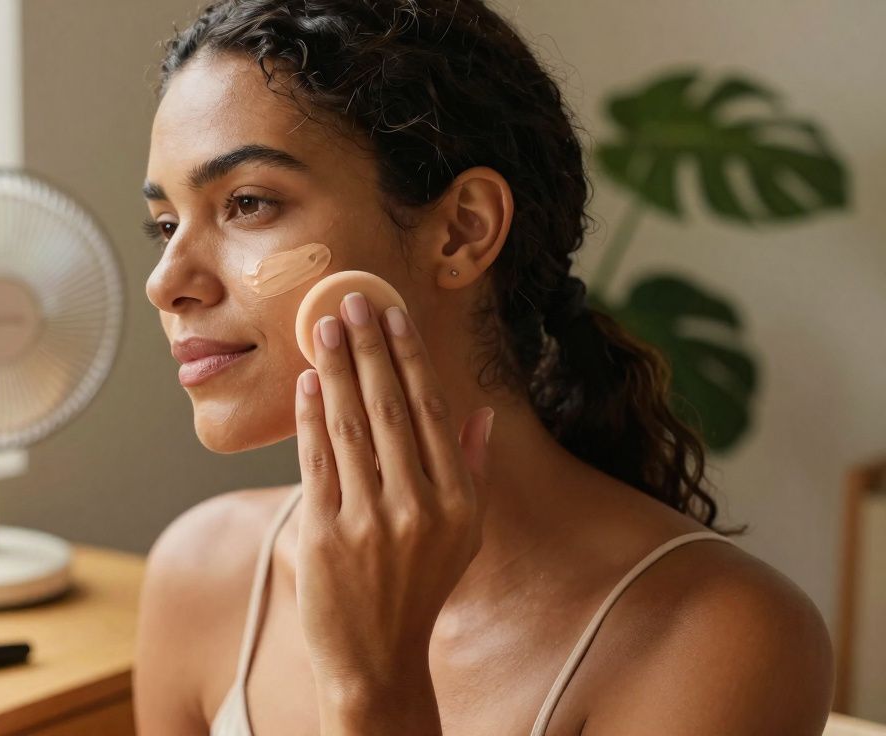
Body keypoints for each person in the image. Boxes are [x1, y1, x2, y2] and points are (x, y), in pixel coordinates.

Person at [134, 1, 834, 733]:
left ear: (463, 230)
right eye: (166, 224)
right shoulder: (203, 576)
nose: (167, 280)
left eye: (248, 203)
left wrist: (373, 683)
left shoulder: (718, 640)